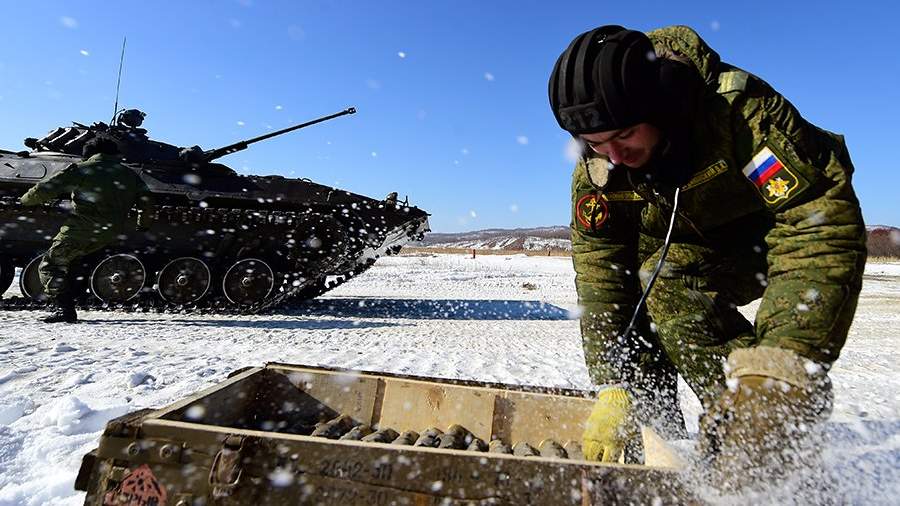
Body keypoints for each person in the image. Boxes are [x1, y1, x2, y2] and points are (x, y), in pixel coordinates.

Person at [547, 25, 866, 487]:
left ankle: (759, 438)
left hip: (766, 241)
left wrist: (779, 370)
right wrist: (613, 380)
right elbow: (602, 272)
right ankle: (664, 453)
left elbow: (817, 227)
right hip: (677, 253)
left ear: (660, 104)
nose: (613, 154)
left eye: (625, 134)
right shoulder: (600, 167)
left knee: (671, 281)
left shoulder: (737, 115)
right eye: (596, 142)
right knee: (640, 310)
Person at [19, 136, 154, 323]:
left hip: (79, 229)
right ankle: (72, 300)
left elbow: (45, 189)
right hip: (109, 232)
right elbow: (146, 203)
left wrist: (25, 200)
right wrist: (143, 224)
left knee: (50, 265)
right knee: (75, 263)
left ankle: (63, 309)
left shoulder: (81, 169)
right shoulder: (130, 175)